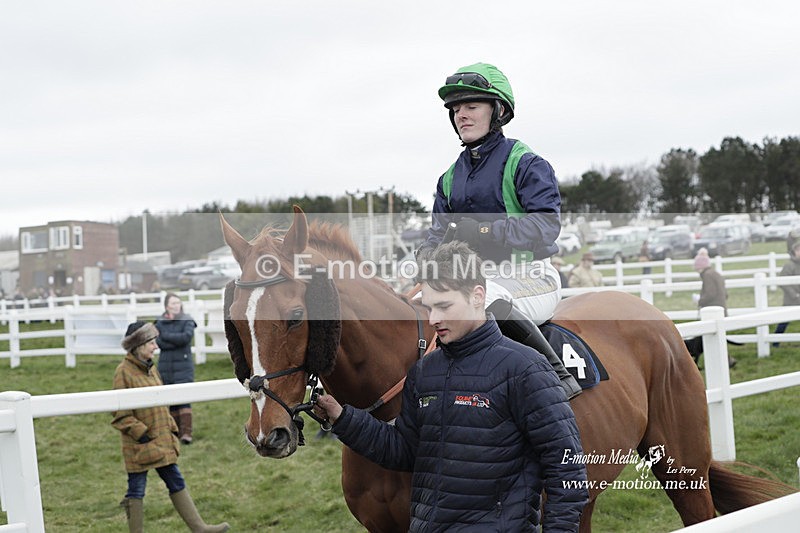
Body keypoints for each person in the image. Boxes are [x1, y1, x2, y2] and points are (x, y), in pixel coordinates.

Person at [315, 242, 588, 532]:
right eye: (429, 307)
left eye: (444, 306)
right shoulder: (423, 372)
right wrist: (343, 418)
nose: (433, 319)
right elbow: (406, 451)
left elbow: (568, 471)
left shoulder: (527, 369)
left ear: (477, 296)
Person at [417, 62, 580, 398]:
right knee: (418, 303)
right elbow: (435, 236)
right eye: (456, 109)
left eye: (471, 106)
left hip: (531, 277)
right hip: (474, 279)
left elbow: (547, 227)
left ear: (499, 111)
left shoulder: (526, 163)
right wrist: (426, 257)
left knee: (483, 298)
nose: (461, 114)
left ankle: (558, 376)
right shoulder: (448, 179)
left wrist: (485, 232)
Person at [112, 321, 229, 533]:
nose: (155, 346)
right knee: (136, 489)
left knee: (175, 480)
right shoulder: (123, 372)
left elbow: (161, 401)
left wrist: (170, 427)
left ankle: (199, 528)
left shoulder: (151, 368)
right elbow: (120, 414)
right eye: (151, 342)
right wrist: (142, 434)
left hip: (161, 439)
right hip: (141, 445)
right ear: (138, 345)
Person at [155, 293, 198, 444]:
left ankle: (186, 433)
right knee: (170, 398)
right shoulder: (159, 322)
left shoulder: (187, 320)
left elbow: (185, 338)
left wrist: (166, 335)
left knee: (184, 397)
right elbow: (159, 343)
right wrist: (174, 339)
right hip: (165, 366)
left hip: (183, 365)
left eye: (178, 303)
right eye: (173, 303)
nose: (176, 305)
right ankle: (174, 432)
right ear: (167, 306)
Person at [684, 249, 735, 367]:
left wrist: (699, 300)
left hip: (711, 312)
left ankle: (723, 361)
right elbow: (725, 294)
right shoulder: (716, 274)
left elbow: (710, 294)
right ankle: (725, 361)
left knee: (712, 338)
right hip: (721, 310)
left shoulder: (707, 276)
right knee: (718, 338)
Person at [772, 240, 800, 347]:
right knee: (784, 322)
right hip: (791, 301)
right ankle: (775, 342)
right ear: (794, 252)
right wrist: (794, 295)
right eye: (799, 250)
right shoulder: (789, 266)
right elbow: (783, 282)